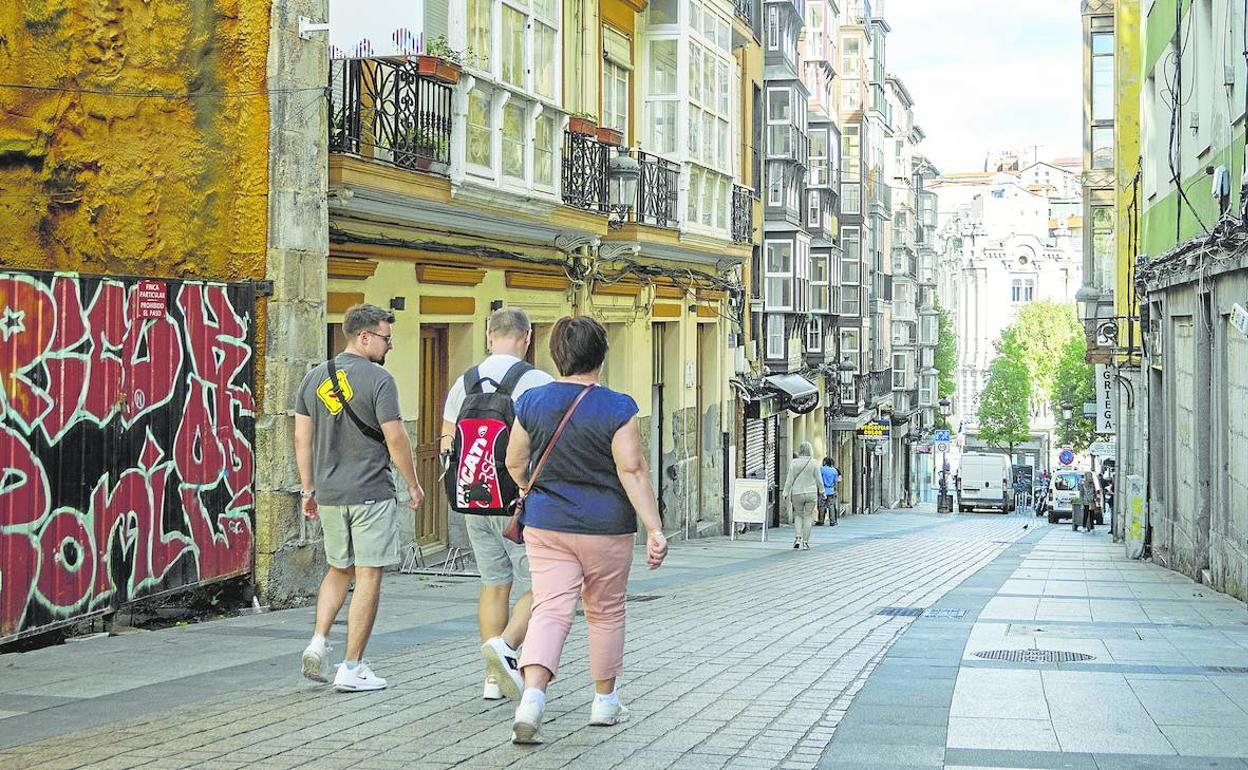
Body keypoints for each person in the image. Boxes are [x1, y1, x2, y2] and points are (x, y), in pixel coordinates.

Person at [504, 315, 667, 744]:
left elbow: (514, 462)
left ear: (556, 354)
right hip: (606, 528)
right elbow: (631, 469)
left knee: (550, 609)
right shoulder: (618, 407)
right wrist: (654, 529)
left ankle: (532, 700)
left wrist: (536, 491)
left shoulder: (532, 401)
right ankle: (604, 702)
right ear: (601, 354)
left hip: (546, 524)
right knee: (606, 611)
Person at [295, 304, 424, 692]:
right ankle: (352, 667)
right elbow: (396, 437)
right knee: (368, 574)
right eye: (386, 337)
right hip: (370, 491)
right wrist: (413, 485)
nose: (390, 345)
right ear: (364, 336)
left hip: (330, 493)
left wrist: (308, 488)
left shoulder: (314, 377)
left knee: (338, 569)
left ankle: (318, 641)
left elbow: (302, 438)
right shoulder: (379, 380)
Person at [441, 307, 553, 702]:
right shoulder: (536, 381)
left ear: (489, 337)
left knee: (493, 585)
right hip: (520, 505)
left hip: (476, 498)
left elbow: (447, 442)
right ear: (526, 337)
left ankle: (491, 680)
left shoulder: (464, 382)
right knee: (543, 586)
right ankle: (505, 649)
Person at [783, 442, 821, 550]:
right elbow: (819, 480)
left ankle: (798, 538)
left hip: (797, 493)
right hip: (811, 493)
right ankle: (805, 543)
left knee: (798, 515)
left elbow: (789, 479)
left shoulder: (794, 463)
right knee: (808, 516)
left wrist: (785, 492)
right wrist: (822, 491)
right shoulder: (814, 463)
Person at [818, 458, 840, 526]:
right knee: (831, 506)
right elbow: (836, 481)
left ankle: (821, 520)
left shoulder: (822, 469)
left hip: (823, 490)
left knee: (822, 506)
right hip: (831, 490)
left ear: (825, 462)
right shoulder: (834, 470)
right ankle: (832, 521)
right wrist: (835, 490)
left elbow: (819, 479)